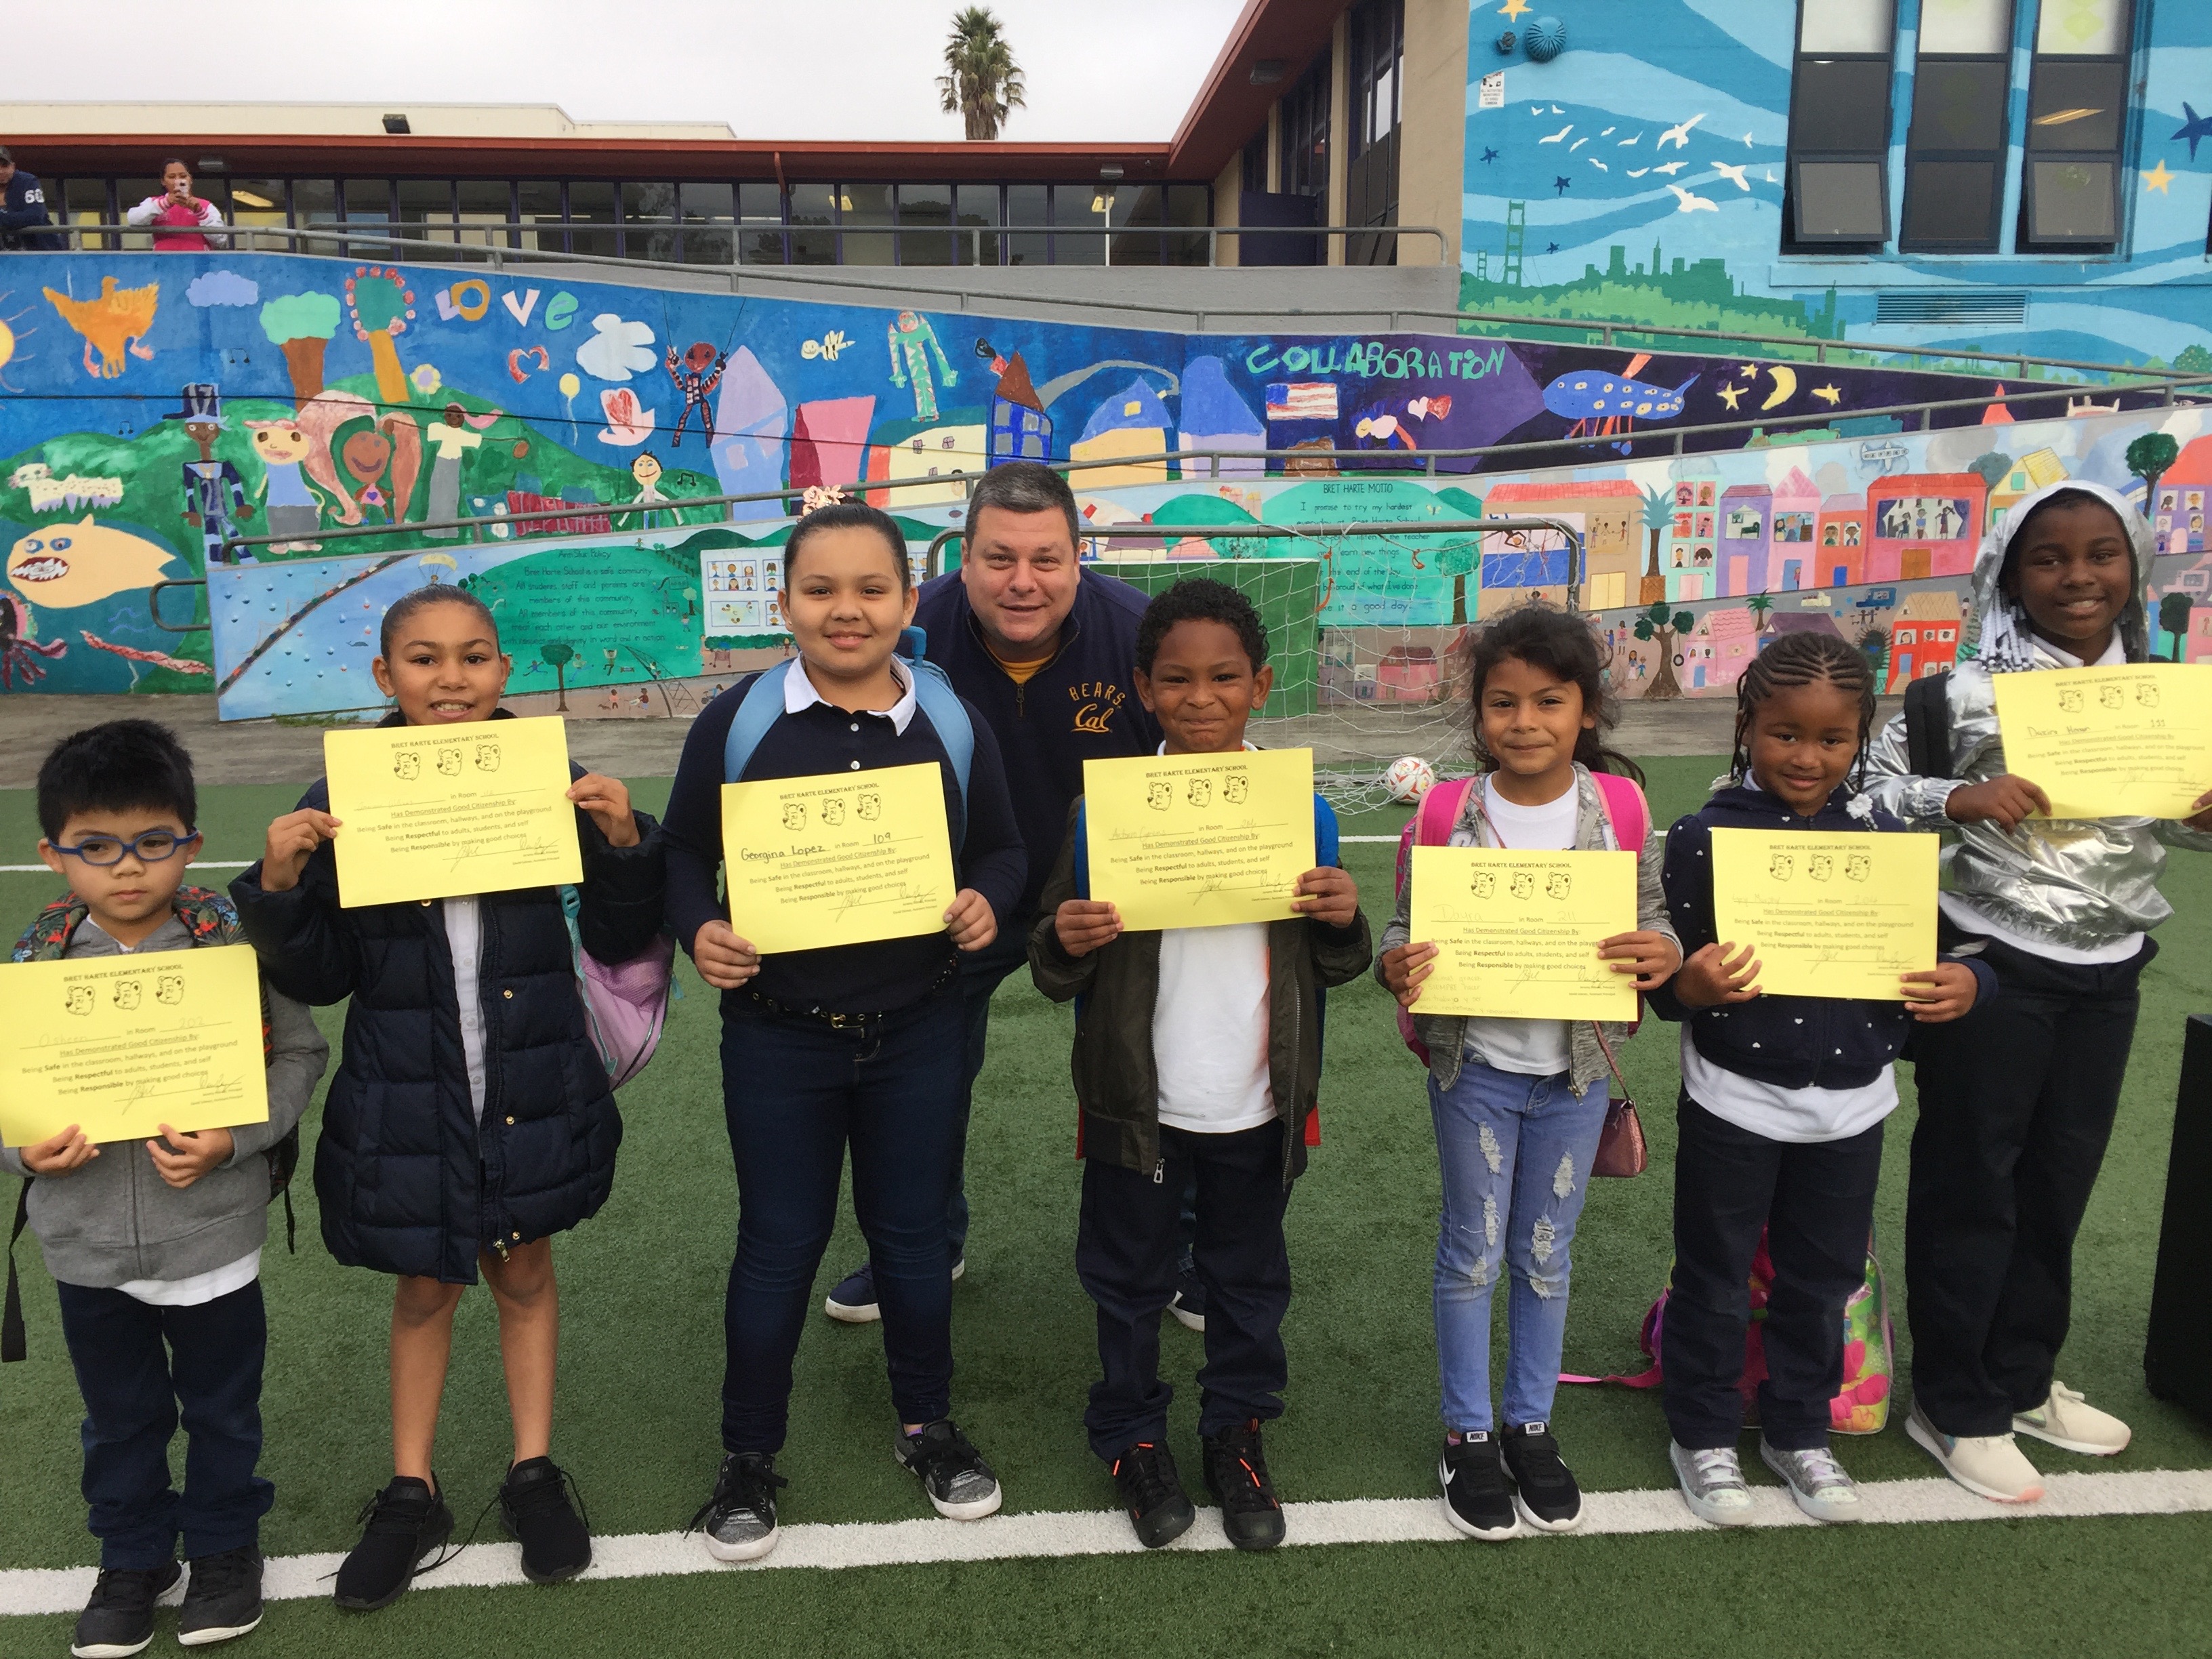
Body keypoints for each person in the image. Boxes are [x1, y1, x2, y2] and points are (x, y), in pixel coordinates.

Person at [230, 588, 664, 1609]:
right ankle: (410, 1487)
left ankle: (532, 1470)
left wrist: (624, 845)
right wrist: (285, 882)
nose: (451, 680)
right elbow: (326, 974)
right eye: (423, 661)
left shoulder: (551, 781)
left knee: (523, 1269)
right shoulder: (341, 797)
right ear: (385, 678)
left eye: (474, 659)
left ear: (504, 672)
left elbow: (613, 935)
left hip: (529, 1074)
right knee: (424, 1284)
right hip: (409, 1088)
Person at [661, 501, 1027, 1562]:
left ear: (912, 602)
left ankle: (929, 1428)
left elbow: (1003, 847)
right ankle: (748, 1456)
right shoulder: (738, 721)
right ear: (781, 605)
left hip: (919, 1029)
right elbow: (685, 850)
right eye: (819, 590)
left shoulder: (949, 720)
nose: (846, 610)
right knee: (779, 1246)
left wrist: (984, 901)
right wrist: (701, 929)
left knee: (913, 1243)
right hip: (778, 1038)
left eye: (873, 588)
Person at [1864, 481, 2212, 1502]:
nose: (2080, 577)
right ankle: (1953, 1402)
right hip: (1992, 964)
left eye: (2103, 554)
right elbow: (1860, 797)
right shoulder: (1962, 694)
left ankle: (2018, 1378)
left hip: (2110, 971)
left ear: (2134, 566)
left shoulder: (2162, 690)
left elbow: (2167, 824)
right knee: (1973, 1182)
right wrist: (1952, 795)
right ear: (2011, 573)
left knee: (2058, 1185)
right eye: (2050, 558)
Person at [1030, 577, 1372, 1551]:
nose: (1201, 697)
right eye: (1176, 679)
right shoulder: (1106, 814)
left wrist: (1343, 920)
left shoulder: (1302, 813)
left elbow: (1336, 961)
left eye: (1225, 677)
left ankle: (1236, 1432)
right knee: (1128, 1280)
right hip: (1138, 1104)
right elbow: (1051, 963)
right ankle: (1133, 1437)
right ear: (1143, 688)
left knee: (1248, 1280)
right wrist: (1070, 934)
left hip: (1258, 1103)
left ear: (1260, 685)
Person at [1648, 631, 1992, 1527]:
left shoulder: (1888, 836)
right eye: (1785, 734)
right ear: (1746, 725)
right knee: (1716, 1275)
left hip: (1853, 1109)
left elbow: (1953, 952)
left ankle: (1801, 1428)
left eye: (1832, 738)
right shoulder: (1703, 837)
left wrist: (1970, 982)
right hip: (1734, 1101)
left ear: (1861, 735)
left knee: (1822, 1279)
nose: (1808, 756)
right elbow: (1672, 984)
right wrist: (1688, 983)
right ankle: (1705, 1429)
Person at [3, 720, 327, 1655]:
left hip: (214, 1242)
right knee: (120, 1421)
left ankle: (225, 1550)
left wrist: (237, 1139)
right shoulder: (36, 962)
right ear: (52, 853)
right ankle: (136, 1557)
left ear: (189, 840)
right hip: (86, 1249)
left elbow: (301, 1051)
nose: (127, 868)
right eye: (95, 847)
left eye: (153, 842)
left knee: (223, 1410)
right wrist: (26, 1154)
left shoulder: (232, 947)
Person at [821, 463, 1165, 1325]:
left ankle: (1170, 1248)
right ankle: (925, 1244)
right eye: (999, 558)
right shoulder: (908, 636)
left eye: (1046, 559)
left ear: (1079, 558)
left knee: (1152, 1068)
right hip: (954, 902)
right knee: (920, 1081)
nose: (1022, 582)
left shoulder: (1139, 636)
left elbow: (1196, 761)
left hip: (1101, 904)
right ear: (961, 560)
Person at [1377, 605, 1681, 1540]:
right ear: (1478, 714)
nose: (1525, 721)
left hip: (1575, 1078)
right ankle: (1469, 1431)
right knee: (1471, 1252)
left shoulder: (1619, 810)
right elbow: (1401, 929)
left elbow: (1656, 919)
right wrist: (1399, 966)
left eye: (1549, 701)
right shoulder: (1444, 813)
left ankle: (1531, 1423)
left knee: (1546, 1258)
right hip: (1474, 1070)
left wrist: (1660, 952)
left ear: (1586, 710)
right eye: (1503, 703)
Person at [125, 160, 228, 251]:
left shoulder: (206, 206)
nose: (178, 181)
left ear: (190, 179)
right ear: (163, 181)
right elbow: (133, 220)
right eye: (171, 177)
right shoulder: (154, 203)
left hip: (198, 266)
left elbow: (221, 240)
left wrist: (200, 213)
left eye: (183, 176)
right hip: (164, 265)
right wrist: (164, 204)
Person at [0, 146, 64, 250]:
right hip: (6, 259)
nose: (1, 171)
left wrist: (2, 219)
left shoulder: (27, 182)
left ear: (13, 167)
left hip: (42, 254)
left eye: (5, 166)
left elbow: (35, 215)